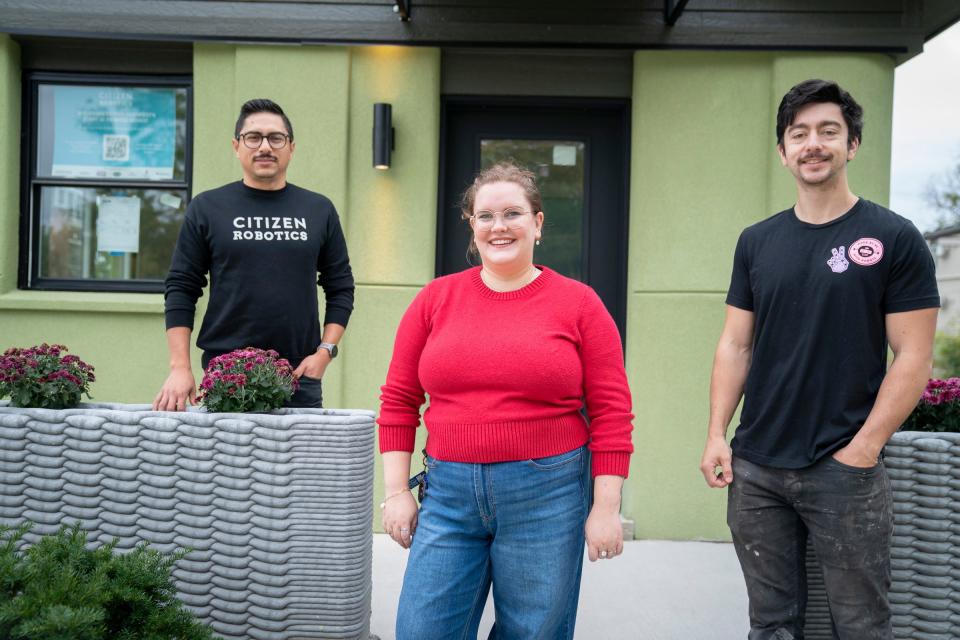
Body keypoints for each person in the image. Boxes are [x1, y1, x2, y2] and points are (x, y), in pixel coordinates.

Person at [699, 79, 939, 639]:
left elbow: (913, 355)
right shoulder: (757, 241)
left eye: (828, 131)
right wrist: (716, 433)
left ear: (852, 144)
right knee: (772, 625)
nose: (813, 143)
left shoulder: (893, 237)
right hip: (757, 467)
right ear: (783, 151)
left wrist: (864, 449)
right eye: (799, 133)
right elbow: (736, 343)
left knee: (860, 625)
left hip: (845, 468)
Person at [377, 162, 634, 639]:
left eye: (513, 213)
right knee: (422, 630)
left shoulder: (579, 303)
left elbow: (612, 412)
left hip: (549, 492)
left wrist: (605, 506)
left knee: (532, 632)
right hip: (449, 491)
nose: (499, 226)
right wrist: (396, 493)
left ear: (537, 223)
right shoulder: (435, 300)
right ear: (472, 226)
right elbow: (398, 400)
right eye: (485, 215)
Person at [153, 99, 354, 411]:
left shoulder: (318, 209)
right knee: (223, 462)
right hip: (225, 376)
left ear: (291, 147)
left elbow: (341, 287)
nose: (265, 147)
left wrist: (325, 352)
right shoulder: (207, 208)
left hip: (299, 376)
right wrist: (180, 367)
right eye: (253, 137)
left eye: (276, 138)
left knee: (295, 462)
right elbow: (181, 287)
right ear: (236, 146)